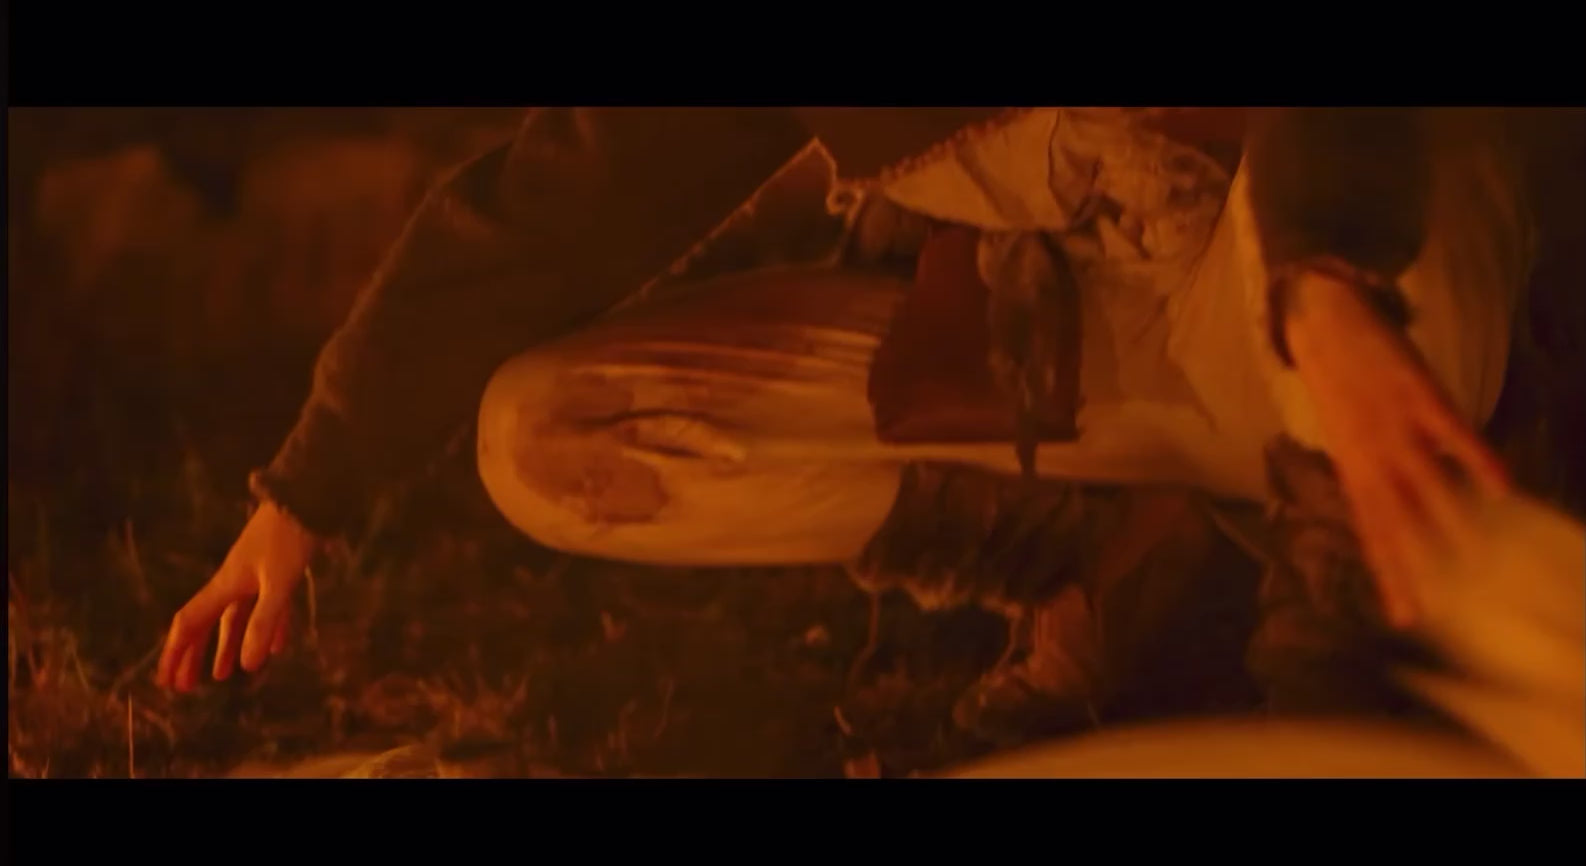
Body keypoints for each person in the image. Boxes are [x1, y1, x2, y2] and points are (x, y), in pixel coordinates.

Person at [153, 107, 1550, 740]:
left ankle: (1346, 636)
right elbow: (547, 209)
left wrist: (1320, 277)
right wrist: (302, 494)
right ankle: (1110, 545)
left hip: (1325, 261)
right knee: (550, 433)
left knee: (1423, 208)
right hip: (1100, 346)